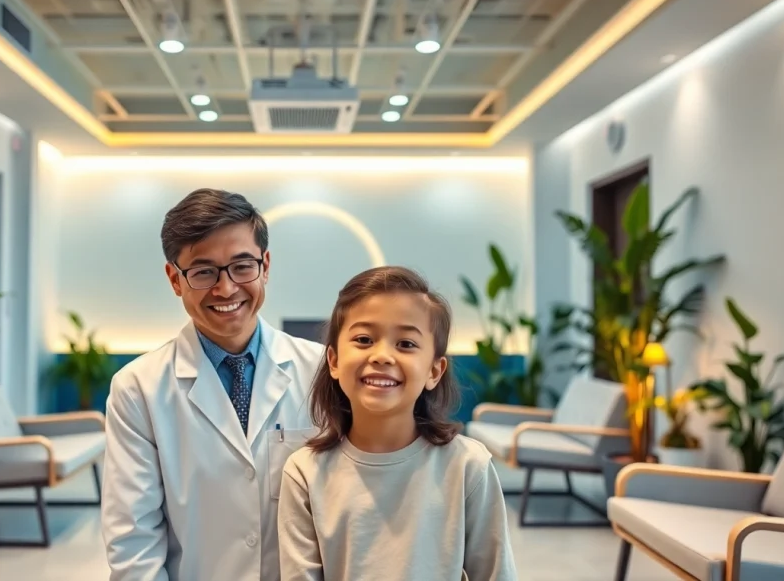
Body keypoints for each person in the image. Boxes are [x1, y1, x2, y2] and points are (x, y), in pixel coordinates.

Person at [101, 188, 326, 581]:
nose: (226, 289)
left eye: (242, 266)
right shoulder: (138, 388)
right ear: (175, 279)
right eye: (204, 272)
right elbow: (133, 540)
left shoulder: (322, 370)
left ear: (265, 266)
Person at [277, 266, 518, 581]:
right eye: (364, 339)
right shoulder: (304, 472)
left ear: (434, 370)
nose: (382, 356)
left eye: (405, 344)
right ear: (334, 361)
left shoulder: (468, 467)